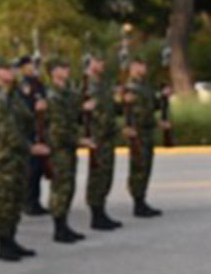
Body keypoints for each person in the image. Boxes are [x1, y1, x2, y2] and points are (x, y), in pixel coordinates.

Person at [0, 59, 46, 261]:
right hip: (5, 156)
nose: (11, 72)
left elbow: (27, 117)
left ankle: (11, 239)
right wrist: (30, 147)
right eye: (6, 69)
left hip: (18, 155)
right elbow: (7, 131)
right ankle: (3, 244)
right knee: (4, 201)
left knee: (15, 200)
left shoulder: (13, 95)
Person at [43, 58, 89, 245]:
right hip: (59, 146)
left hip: (68, 146)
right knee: (60, 186)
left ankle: (64, 225)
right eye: (63, 67)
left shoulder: (67, 92)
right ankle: (59, 227)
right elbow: (59, 126)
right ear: (53, 72)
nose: (67, 70)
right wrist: (78, 140)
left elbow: (75, 112)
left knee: (68, 186)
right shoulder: (53, 95)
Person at [82, 53, 124, 232]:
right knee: (97, 176)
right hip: (96, 136)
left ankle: (102, 211)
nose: (102, 64)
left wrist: (119, 99)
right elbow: (76, 112)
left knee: (106, 175)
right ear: (89, 64)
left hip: (107, 135)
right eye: (98, 61)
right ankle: (95, 214)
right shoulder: (84, 86)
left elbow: (114, 109)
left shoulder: (104, 85)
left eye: (102, 60)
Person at [121, 56, 166, 218]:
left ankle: (142, 199)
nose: (143, 69)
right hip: (137, 132)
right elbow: (126, 110)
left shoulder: (145, 86)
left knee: (146, 166)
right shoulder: (129, 87)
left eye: (144, 66)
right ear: (133, 67)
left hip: (147, 131)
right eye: (140, 66)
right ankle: (137, 202)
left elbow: (152, 106)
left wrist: (163, 97)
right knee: (138, 167)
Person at [17, 54, 49, 217]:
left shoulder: (38, 83)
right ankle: (28, 202)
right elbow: (23, 106)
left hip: (40, 128)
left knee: (38, 169)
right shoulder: (24, 85)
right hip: (29, 128)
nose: (33, 68)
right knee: (31, 168)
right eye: (30, 65)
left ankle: (35, 201)